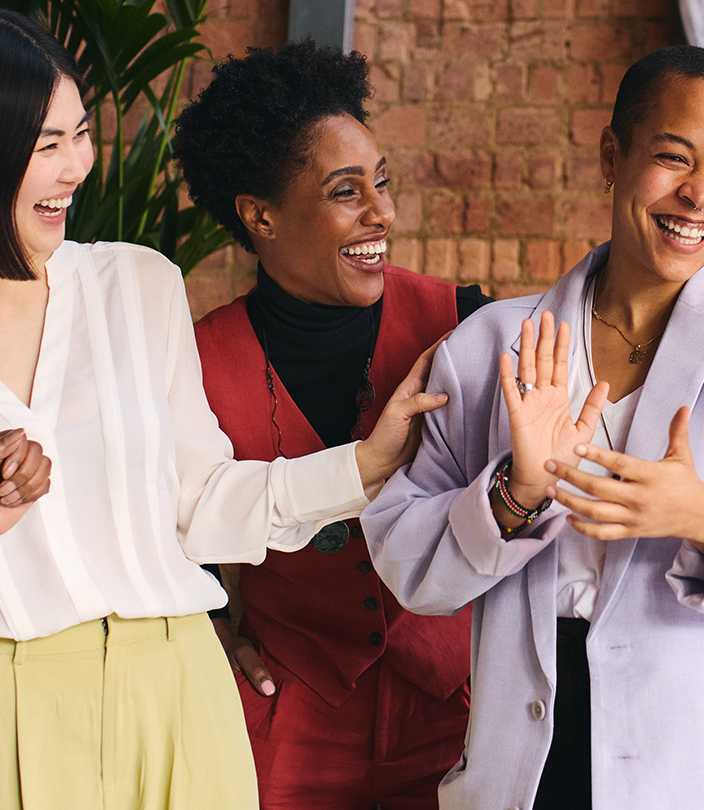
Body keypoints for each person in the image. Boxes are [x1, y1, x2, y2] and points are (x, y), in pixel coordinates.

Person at [0, 9, 441, 808]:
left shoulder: (137, 284)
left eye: (80, 136)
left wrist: (365, 467)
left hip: (178, 692)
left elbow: (199, 506)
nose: (76, 169)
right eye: (45, 146)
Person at [361, 45, 704, 810]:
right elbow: (405, 560)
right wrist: (515, 494)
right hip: (534, 760)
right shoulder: (494, 341)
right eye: (673, 157)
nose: (701, 196)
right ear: (611, 155)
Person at [172, 42, 490, 809]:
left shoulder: (462, 321)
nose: (382, 212)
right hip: (287, 718)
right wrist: (210, 631)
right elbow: (168, 533)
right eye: (347, 191)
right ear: (261, 216)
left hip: (456, 714)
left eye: (380, 183)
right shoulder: (197, 357)